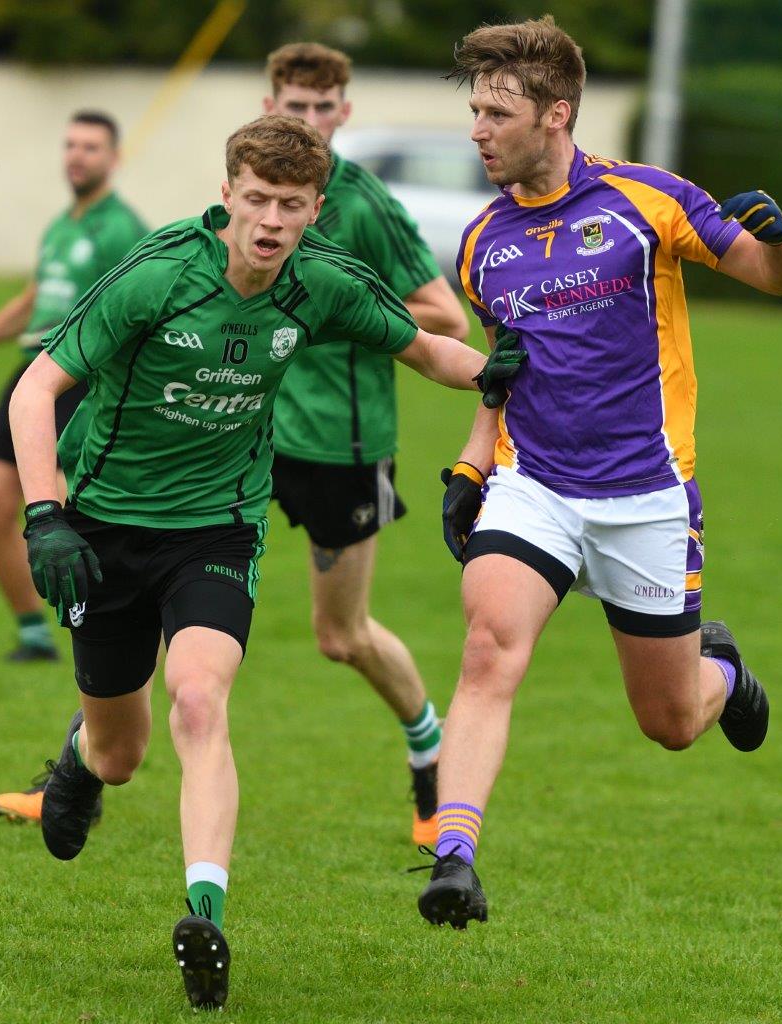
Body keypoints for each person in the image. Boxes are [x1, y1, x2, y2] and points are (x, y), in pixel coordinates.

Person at [8, 114, 521, 1010]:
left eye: (291, 204)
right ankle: (80, 763)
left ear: (316, 209)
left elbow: (424, 347)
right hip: (102, 526)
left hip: (218, 526)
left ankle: (204, 914)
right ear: (227, 197)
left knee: (200, 699)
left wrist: (504, 370)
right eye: (256, 200)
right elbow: (37, 387)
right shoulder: (160, 274)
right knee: (121, 751)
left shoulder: (319, 283)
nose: (272, 220)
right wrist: (45, 517)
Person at [414, 16, 782, 929]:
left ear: (556, 115)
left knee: (669, 723)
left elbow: (775, 278)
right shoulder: (481, 245)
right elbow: (501, 378)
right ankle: (454, 857)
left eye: (495, 112)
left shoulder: (646, 201)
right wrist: (471, 472)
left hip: (645, 498)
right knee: (486, 648)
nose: (477, 128)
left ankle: (725, 676)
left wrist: (779, 241)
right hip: (535, 486)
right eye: (473, 109)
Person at [263, 43, 468, 844]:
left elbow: (446, 318)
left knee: (338, 637)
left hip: (340, 444)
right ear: (269, 104)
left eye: (323, 108)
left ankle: (430, 753)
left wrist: (345, 310)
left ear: (343, 114)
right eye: (293, 105)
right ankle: (77, 770)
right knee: (164, 590)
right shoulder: (257, 198)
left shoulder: (367, 205)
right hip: (244, 427)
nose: (308, 122)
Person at [0, 110, 146, 663]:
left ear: (114, 158)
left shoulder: (124, 230)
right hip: (28, 373)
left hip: (79, 379)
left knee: (65, 504)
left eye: (91, 146)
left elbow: (137, 312)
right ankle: (34, 635)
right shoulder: (61, 225)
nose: (78, 155)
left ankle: (101, 622)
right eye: (71, 144)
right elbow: (32, 301)